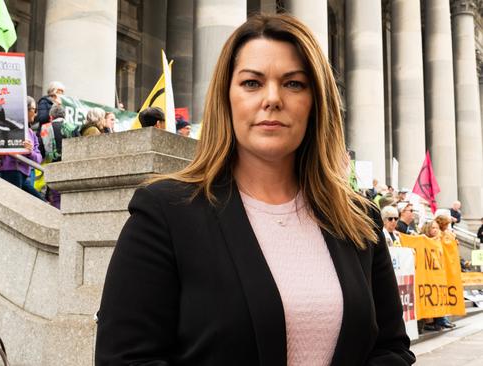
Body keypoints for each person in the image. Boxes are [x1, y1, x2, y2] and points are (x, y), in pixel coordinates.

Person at [96, 14, 414, 366]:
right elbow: (125, 359)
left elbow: (392, 349)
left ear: (316, 102)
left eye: (294, 84)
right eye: (252, 83)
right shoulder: (165, 211)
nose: (272, 99)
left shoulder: (359, 220)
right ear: (226, 97)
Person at [0, 97, 44, 200]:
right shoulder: (9, 126)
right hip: (11, 171)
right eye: (34, 110)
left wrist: (30, 152)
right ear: (25, 110)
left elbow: (39, 158)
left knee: (41, 201)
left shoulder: (31, 133)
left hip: (23, 175)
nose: (35, 114)